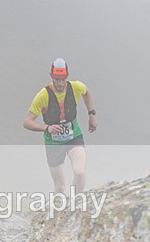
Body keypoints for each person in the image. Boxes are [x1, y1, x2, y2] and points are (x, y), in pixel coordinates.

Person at [23, 58, 97, 194]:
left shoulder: (76, 87)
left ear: (67, 76)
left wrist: (91, 114)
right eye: (57, 79)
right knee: (60, 185)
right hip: (53, 142)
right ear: (52, 77)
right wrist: (46, 128)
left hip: (73, 137)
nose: (61, 83)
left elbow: (87, 93)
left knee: (80, 173)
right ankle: (58, 210)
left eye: (63, 79)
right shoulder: (43, 95)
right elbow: (27, 122)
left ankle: (75, 204)